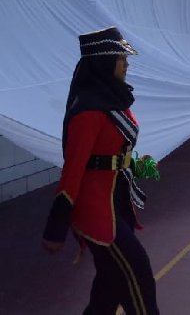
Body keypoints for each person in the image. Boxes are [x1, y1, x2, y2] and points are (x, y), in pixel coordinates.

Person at [42, 26, 159, 314]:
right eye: (122, 59)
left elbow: (113, 151)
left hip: (116, 203)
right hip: (96, 211)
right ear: (105, 63)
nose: (127, 64)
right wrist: (55, 228)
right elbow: (73, 170)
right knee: (137, 274)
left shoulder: (112, 98)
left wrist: (132, 163)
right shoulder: (89, 111)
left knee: (109, 286)